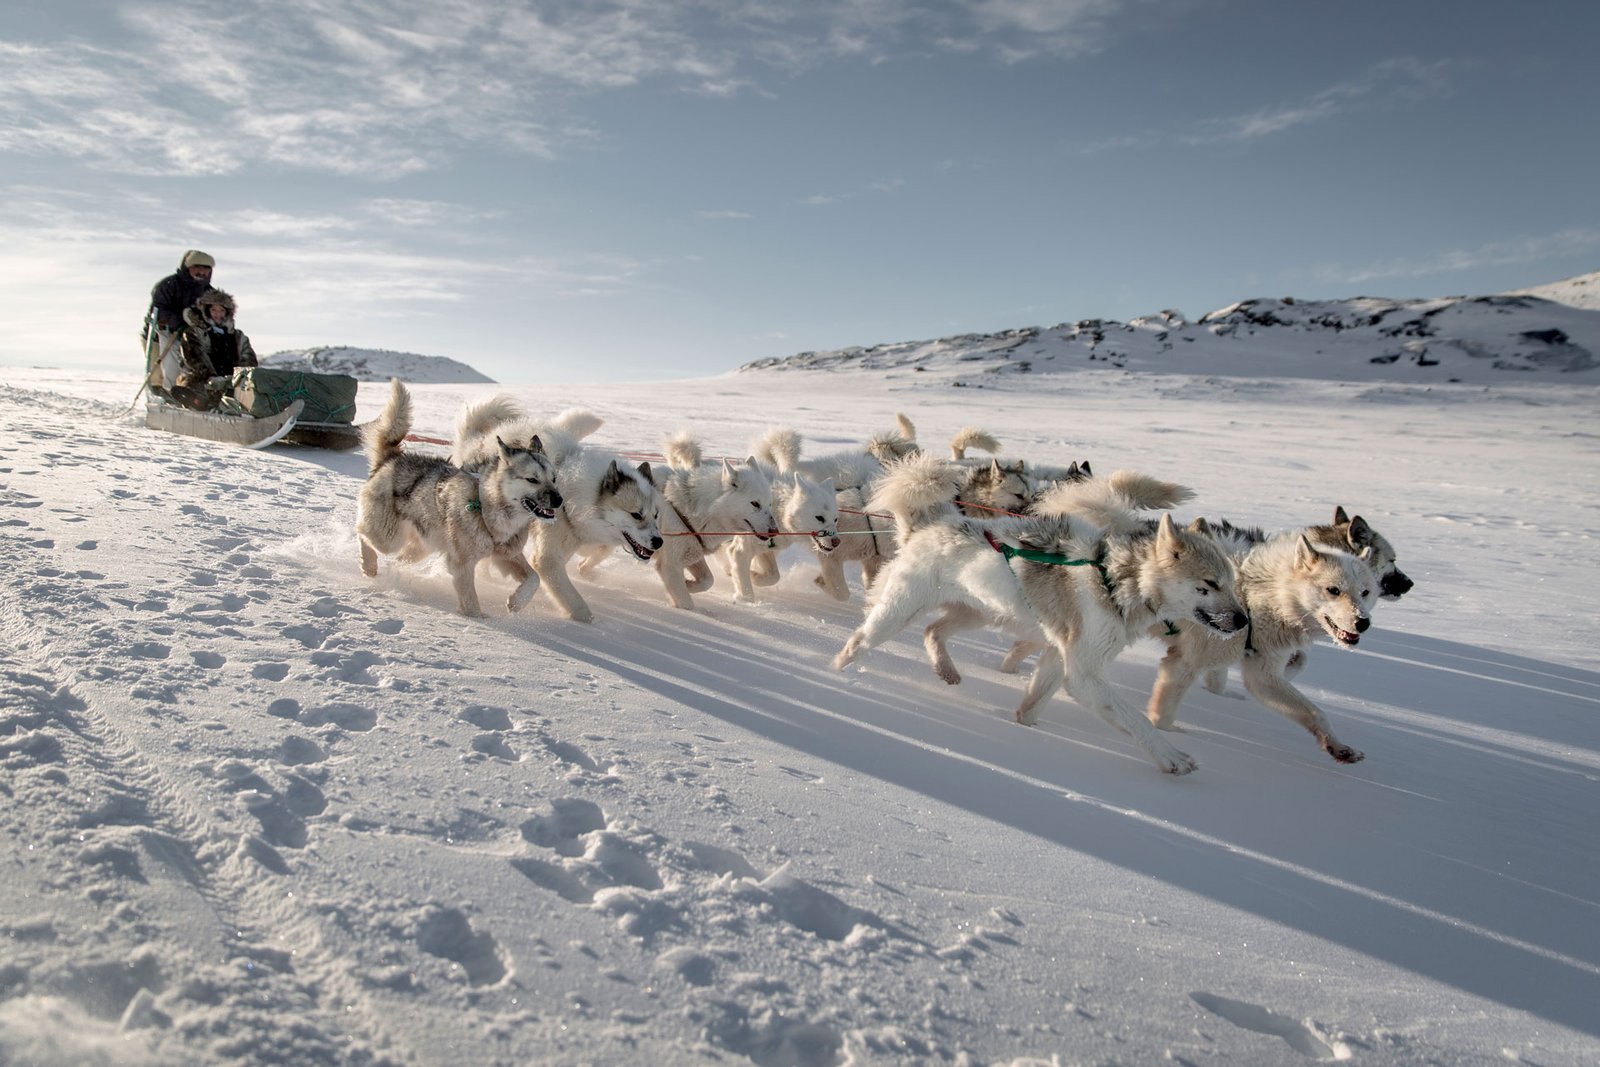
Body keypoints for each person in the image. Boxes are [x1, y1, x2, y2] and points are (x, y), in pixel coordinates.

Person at [171, 288, 258, 410]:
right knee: (197, 386)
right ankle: (197, 401)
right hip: (201, 380)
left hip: (232, 383)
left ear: (228, 313)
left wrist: (237, 379)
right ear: (206, 311)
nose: (218, 314)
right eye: (214, 310)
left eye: (222, 310)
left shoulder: (238, 337)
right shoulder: (195, 332)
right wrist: (212, 378)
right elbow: (195, 358)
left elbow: (249, 360)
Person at [144, 250, 215, 392]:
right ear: (187, 268)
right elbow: (159, 310)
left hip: (194, 337)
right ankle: (167, 393)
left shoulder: (210, 293)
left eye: (205, 268)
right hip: (164, 333)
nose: (201, 271)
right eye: (197, 267)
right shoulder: (169, 285)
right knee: (162, 372)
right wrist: (180, 322)